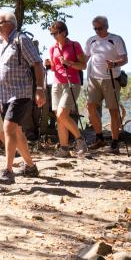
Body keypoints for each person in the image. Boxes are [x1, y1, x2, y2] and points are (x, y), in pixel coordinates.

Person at [0, 11, 47, 185]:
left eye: (0, 22)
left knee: (8, 127)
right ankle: (30, 166)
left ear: (11, 24)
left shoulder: (21, 40)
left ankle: (8, 170)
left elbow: (37, 63)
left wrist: (39, 89)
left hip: (21, 93)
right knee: (17, 131)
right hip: (5, 95)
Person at [83, 15, 128, 153]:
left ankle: (114, 143)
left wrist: (114, 64)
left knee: (113, 110)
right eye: (95, 28)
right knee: (90, 107)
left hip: (111, 78)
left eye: (100, 28)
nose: (97, 31)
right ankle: (100, 138)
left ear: (106, 26)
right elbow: (84, 58)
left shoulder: (116, 39)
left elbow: (125, 59)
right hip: (93, 78)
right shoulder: (91, 40)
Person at [45, 21, 89, 158]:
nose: (53, 36)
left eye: (55, 33)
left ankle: (80, 140)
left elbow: (83, 66)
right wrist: (48, 64)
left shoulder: (75, 45)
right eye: (51, 34)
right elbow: (54, 67)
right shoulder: (53, 48)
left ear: (63, 32)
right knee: (59, 118)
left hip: (72, 83)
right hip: (57, 83)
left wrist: (69, 63)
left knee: (62, 114)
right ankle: (64, 148)